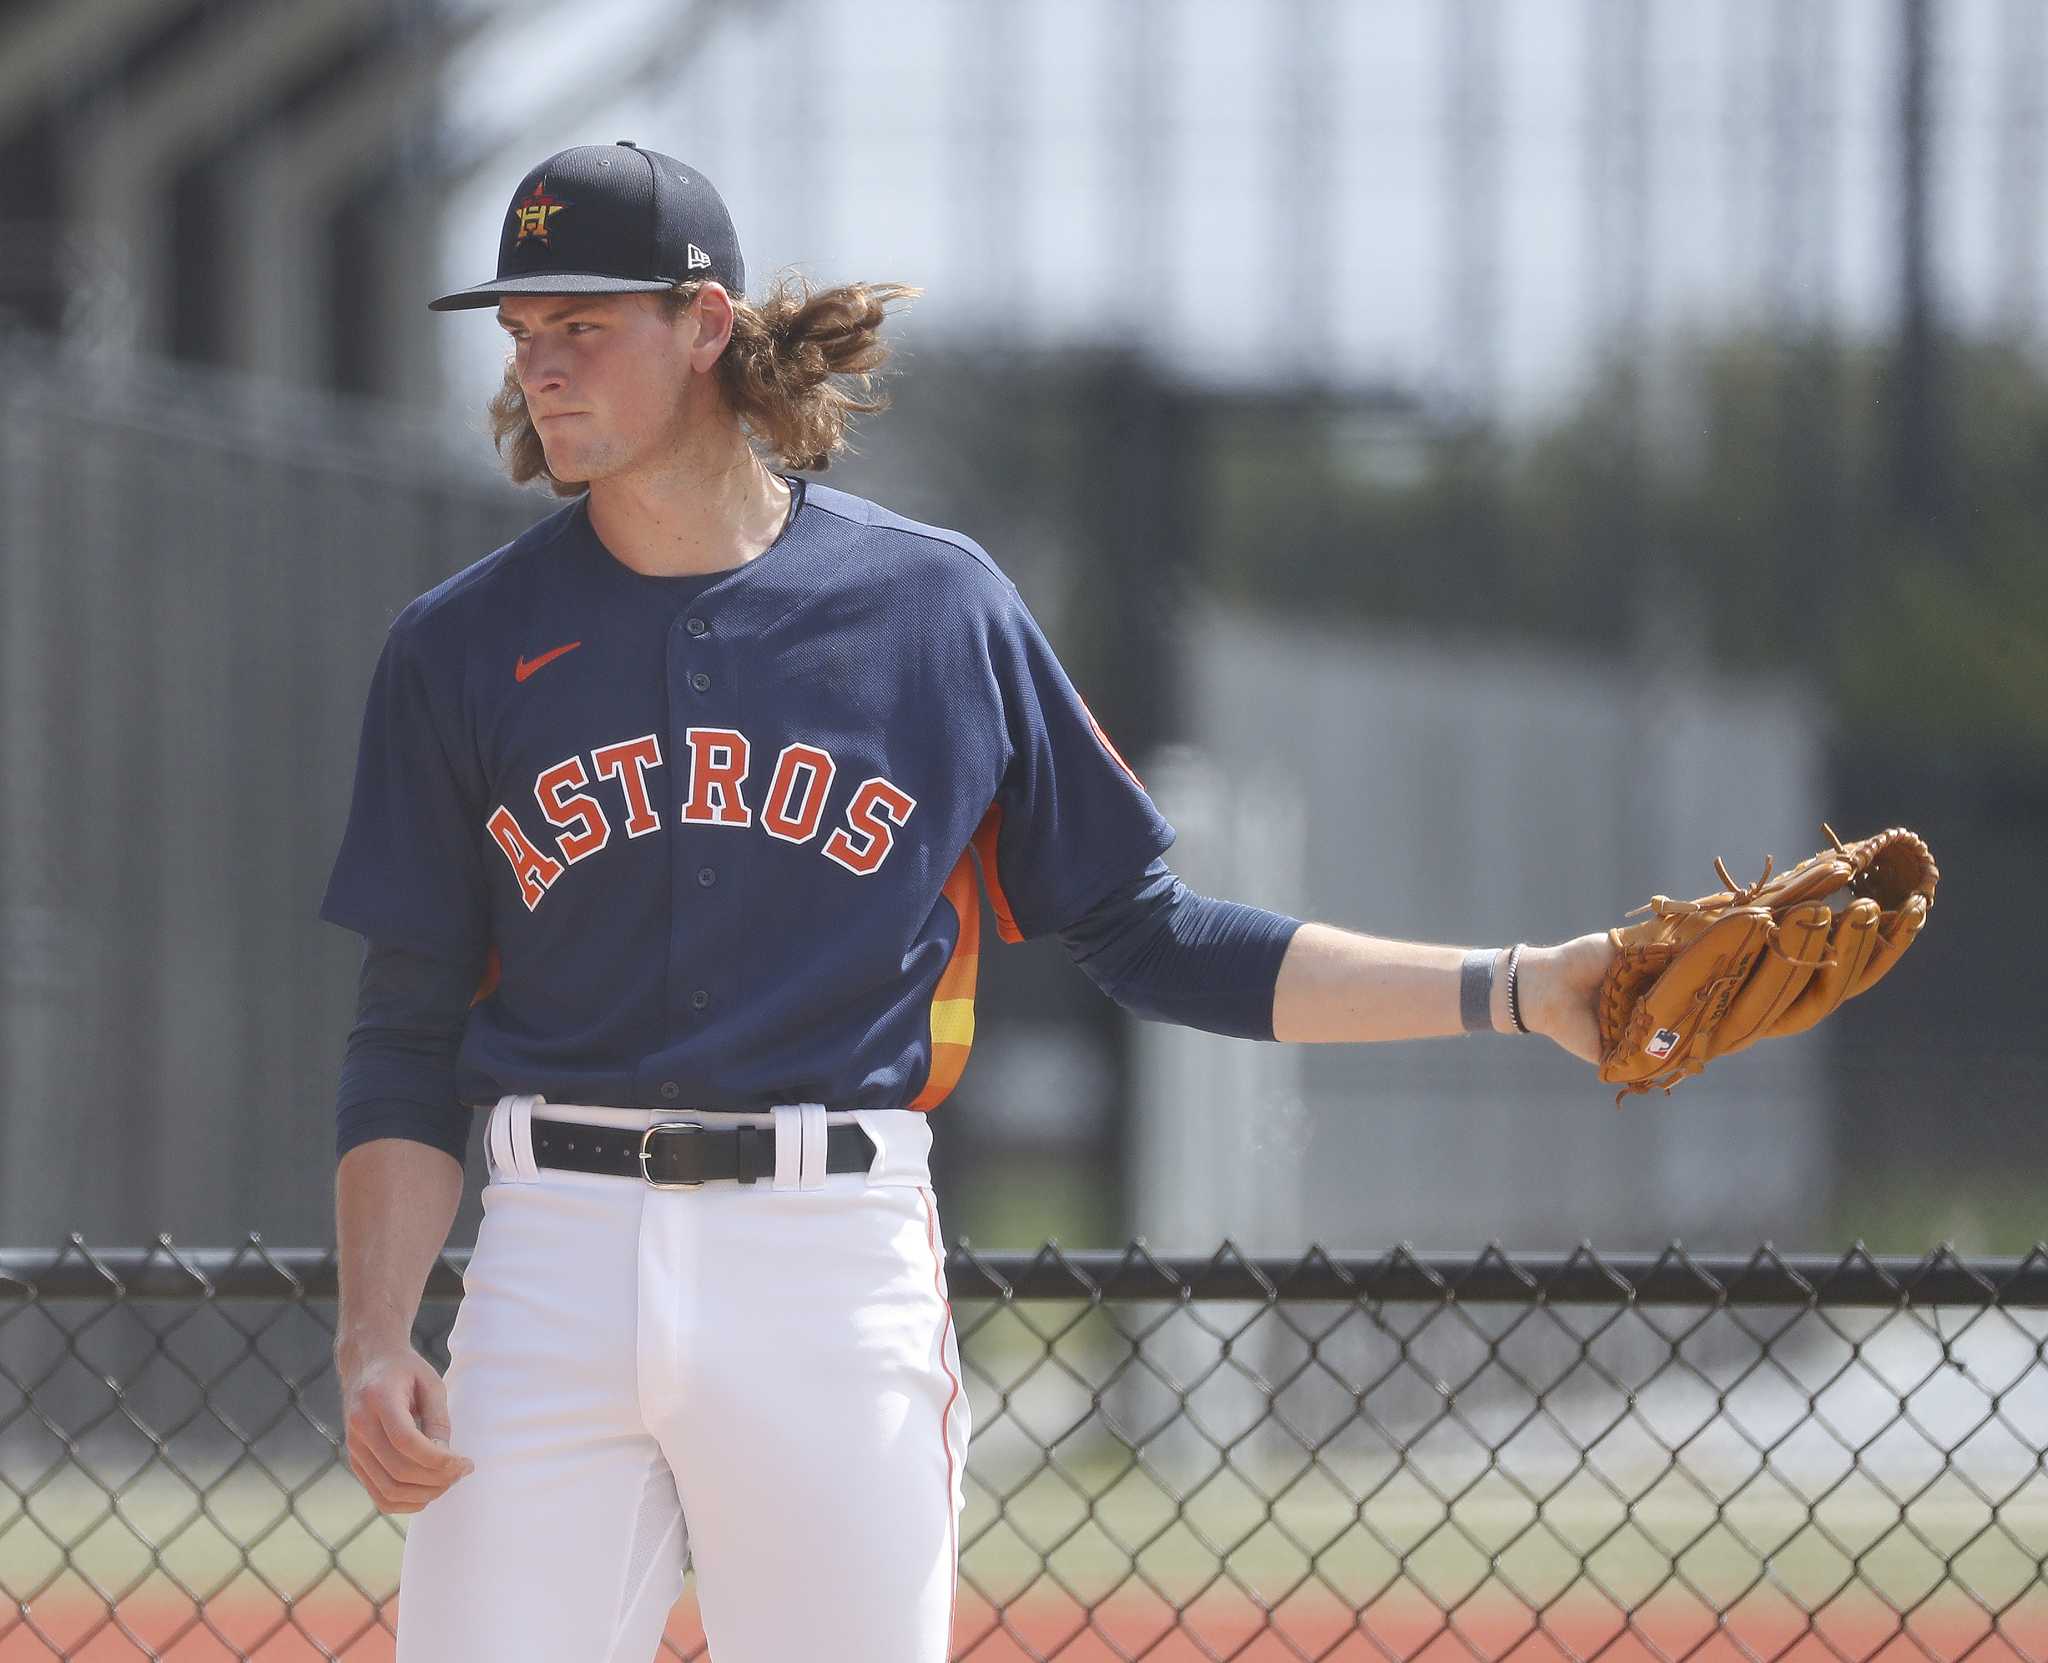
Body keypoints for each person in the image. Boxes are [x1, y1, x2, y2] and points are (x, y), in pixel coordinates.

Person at [321, 141, 1616, 1663]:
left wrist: (1523, 987)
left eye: (582, 324)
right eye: (521, 330)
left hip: (827, 1258)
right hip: (552, 1247)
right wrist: (373, 1328)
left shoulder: (932, 611)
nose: (538, 363)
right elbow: (404, 1027)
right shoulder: (461, 646)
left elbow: (1153, 932)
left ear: (709, 325)